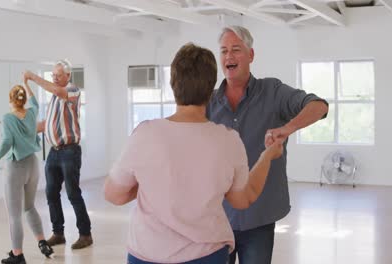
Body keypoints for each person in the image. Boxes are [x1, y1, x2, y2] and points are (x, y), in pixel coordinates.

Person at [104, 43, 284, 264]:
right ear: (211, 90)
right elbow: (242, 199)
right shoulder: (228, 139)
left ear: (173, 84)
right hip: (206, 255)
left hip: (147, 255)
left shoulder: (145, 133)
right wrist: (267, 156)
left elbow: (114, 195)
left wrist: (152, 180)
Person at [206, 26, 329, 264]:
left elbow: (318, 106)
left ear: (251, 55)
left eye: (236, 50)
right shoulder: (208, 101)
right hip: (218, 218)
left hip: (258, 217)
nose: (229, 56)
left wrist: (288, 127)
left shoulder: (272, 91)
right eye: (223, 51)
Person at [23, 59, 92, 249]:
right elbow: (47, 124)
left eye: (58, 75)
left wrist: (32, 77)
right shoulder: (54, 98)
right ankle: (58, 233)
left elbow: (55, 90)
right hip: (54, 153)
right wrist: (21, 130)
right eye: (53, 75)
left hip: (69, 152)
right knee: (51, 193)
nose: (54, 78)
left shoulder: (72, 91)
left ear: (68, 76)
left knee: (72, 193)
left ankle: (85, 235)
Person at [0, 79, 54, 264]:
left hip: (15, 167)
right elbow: (34, 102)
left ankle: (18, 255)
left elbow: (7, 141)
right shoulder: (32, 113)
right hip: (33, 164)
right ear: (23, 98)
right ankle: (43, 242)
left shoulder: (8, 118)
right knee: (30, 207)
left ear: (11, 99)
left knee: (15, 215)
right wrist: (27, 83)